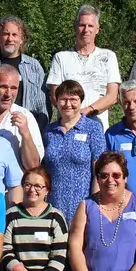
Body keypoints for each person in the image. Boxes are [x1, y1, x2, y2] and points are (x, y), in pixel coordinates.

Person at [40, 80, 107, 222]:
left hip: (83, 207)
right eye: (63, 99)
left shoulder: (93, 129)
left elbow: (99, 171)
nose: (68, 104)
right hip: (52, 206)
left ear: (81, 101)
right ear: (56, 102)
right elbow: (43, 169)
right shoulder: (49, 131)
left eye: (73, 99)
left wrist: (94, 206)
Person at [45, 5, 121, 128]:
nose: (86, 30)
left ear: (97, 29)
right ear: (75, 27)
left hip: (98, 127)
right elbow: (55, 96)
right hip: (67, 128)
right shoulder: (61, 58)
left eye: (90, 26)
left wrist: (86, 111)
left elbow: (112, 96)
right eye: (82, 25)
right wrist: (73, 116)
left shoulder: (109, 57)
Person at [0, 16, 49, 130]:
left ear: (22, 40)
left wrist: (35, 132)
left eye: (14, 35)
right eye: (6, 34)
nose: (10, 39)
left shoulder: (34, 66)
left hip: (23, 130)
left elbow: (42, 106)